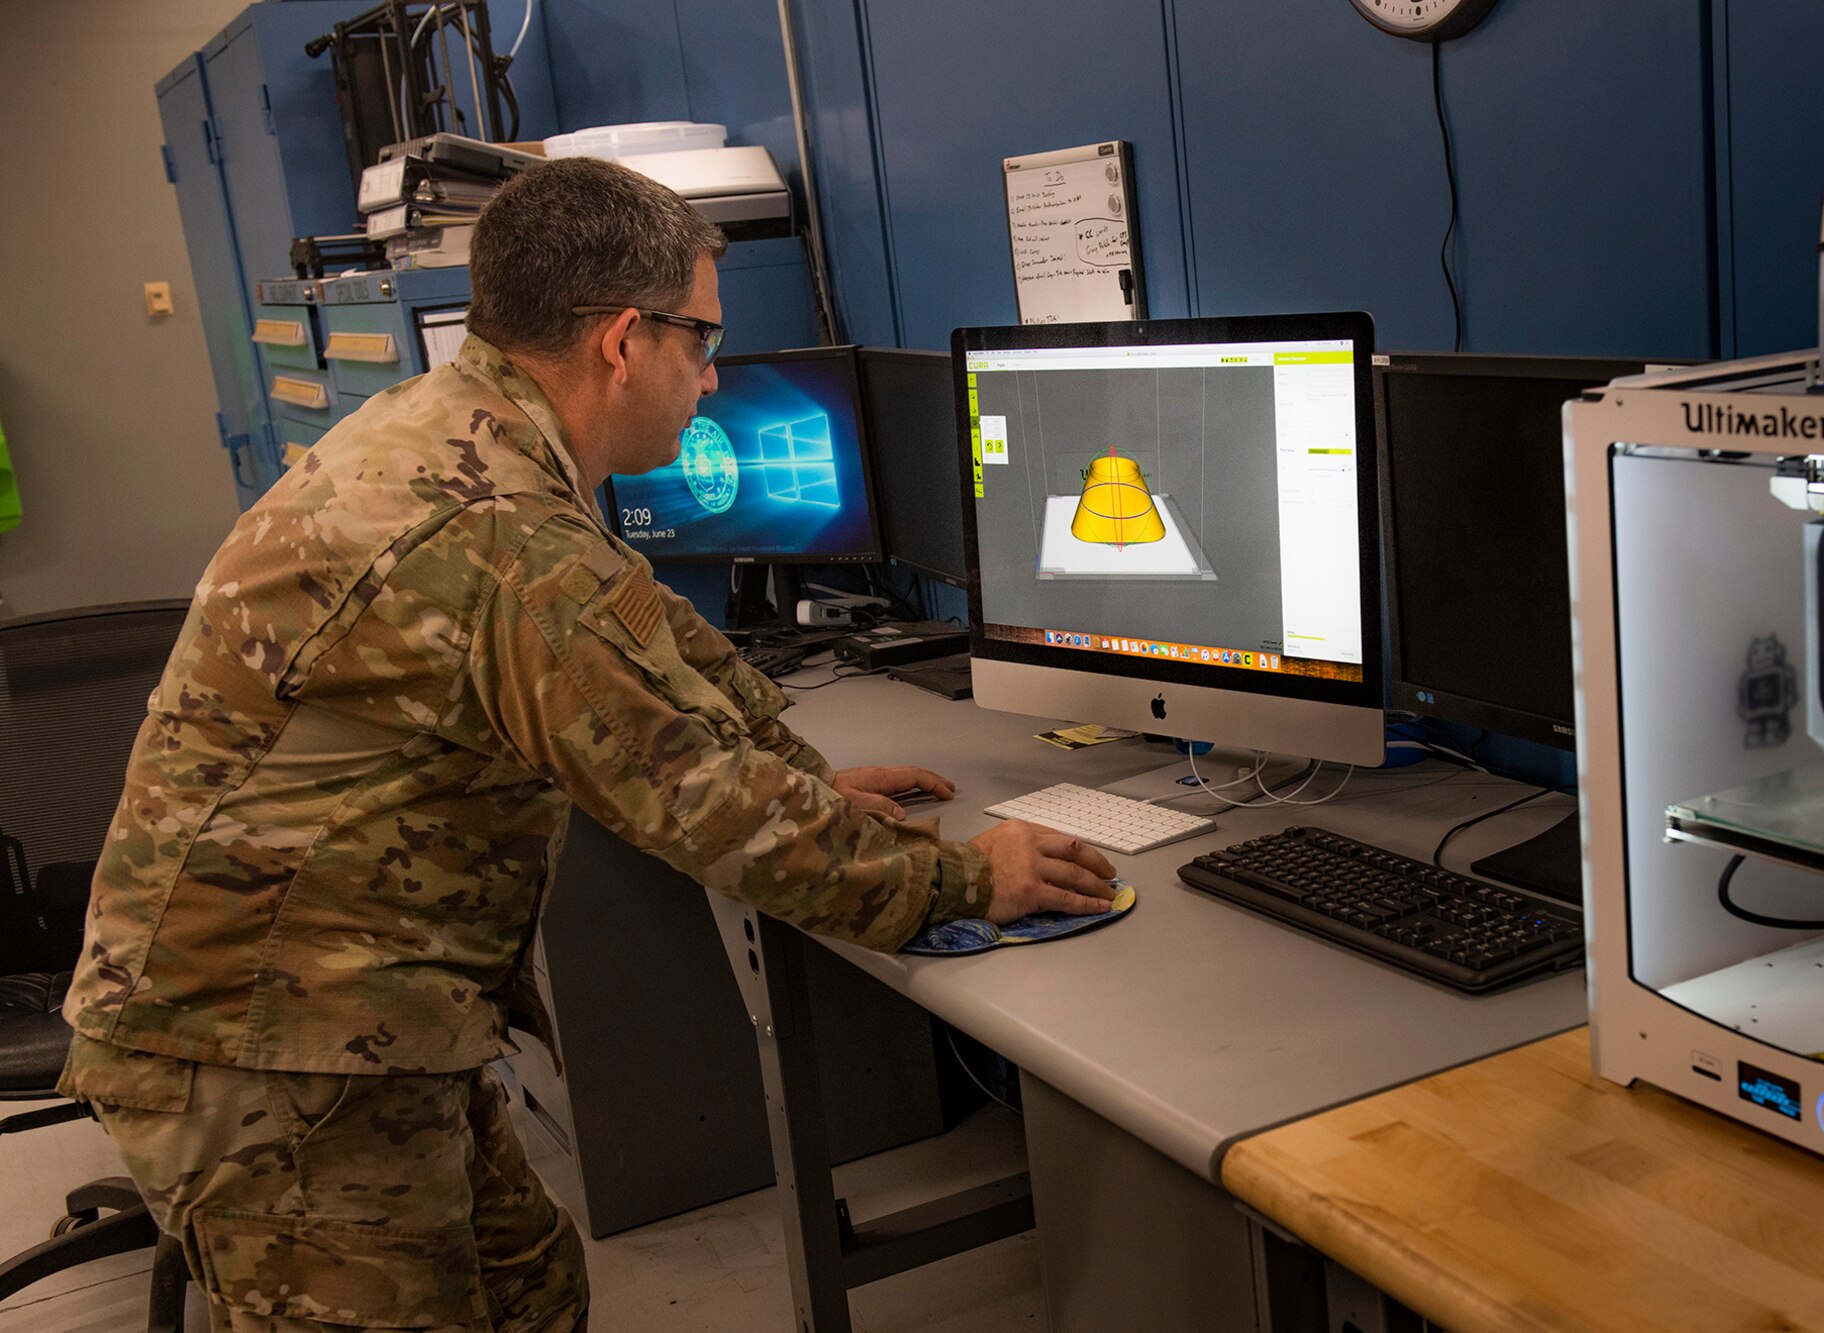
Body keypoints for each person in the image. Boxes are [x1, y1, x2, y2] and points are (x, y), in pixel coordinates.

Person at [58, 156, 1118, 1333]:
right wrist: (973, 875)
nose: (709, 382)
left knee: (531, 1290)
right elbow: (697, 803)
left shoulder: (458, 436)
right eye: (702, 343)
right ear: (624, 340)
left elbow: (644, 639)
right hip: (263, 1047)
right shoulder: (499, 522)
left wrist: (802, 778)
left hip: (342, 1016)